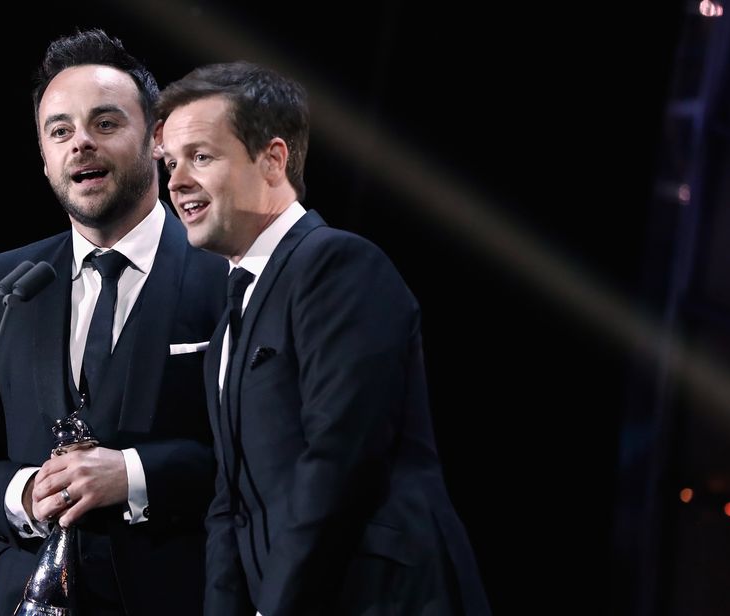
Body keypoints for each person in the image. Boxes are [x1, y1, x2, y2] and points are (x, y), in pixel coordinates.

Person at [157, 61, 492, 615]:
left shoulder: (337, 264)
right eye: (171, 162)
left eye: (200, 156)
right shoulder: (227, 325)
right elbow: (229, 505)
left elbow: (340, 457)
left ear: (273, 160)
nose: (176, 181)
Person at [0, 29, 226, 615]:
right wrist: (27, 494)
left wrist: (134, 476)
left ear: (156, 140)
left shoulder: (222, 271)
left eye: (106, 124)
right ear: (43, 159)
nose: (80, 143)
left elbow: (263, 458)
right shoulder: (8, 280)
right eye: (59, 131)